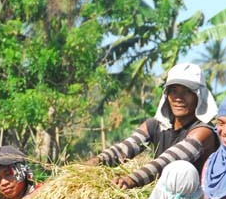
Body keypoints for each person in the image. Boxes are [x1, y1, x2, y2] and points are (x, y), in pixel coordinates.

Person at [85, 62, 218, 189]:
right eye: (173, 91)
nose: (179, 97)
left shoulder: (203, 131)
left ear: (198, 96)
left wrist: (131, 180)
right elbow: (126, 148)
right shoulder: (155, 125)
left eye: (187, 91)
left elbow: (168, 162)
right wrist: (95, 162)